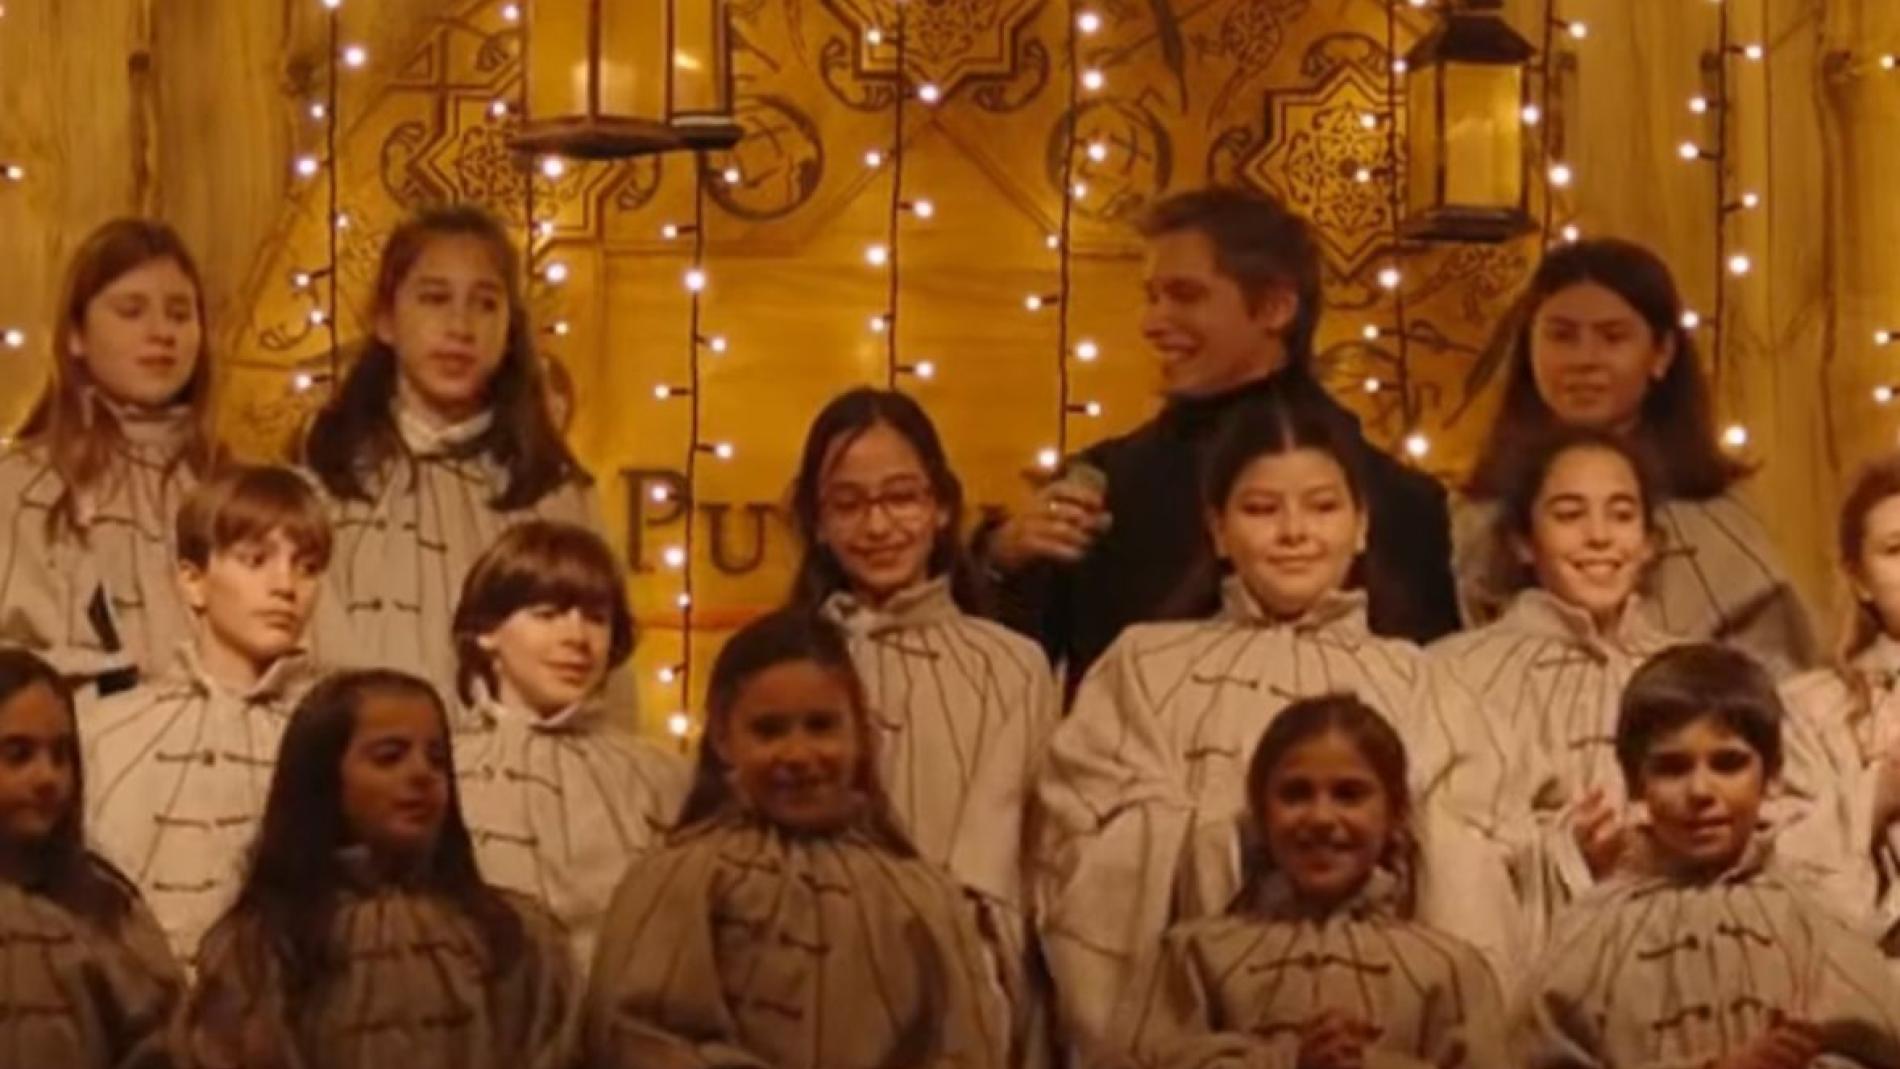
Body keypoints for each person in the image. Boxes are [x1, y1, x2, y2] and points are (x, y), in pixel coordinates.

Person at [1033, 383, 1522, 1050]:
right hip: (1192, 1017)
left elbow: (1490, 844)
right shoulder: (1144, 665)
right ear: (1218, 529)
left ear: (1362, 524)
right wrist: (1204, 844)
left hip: (1386, 1014)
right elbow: (1071, 840)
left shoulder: (1422, 677)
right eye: (1262, 509)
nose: (1294, 532)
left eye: (1322, 506)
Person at [975, 187, 1458, 692]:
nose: (1153, 323)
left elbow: (1426, 702)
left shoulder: (1397, 500)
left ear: (1274, 307)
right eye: (1152, 297)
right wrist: (1003, 564)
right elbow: (1008, 689)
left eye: (1185, 295)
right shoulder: (1100, 488)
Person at [583, 609, 1012, 1069]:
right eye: (769, 731)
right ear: (726, 740)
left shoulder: (919, 896)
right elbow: (636, 1030)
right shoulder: (681, 878)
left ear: (860, 735)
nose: (798, 754)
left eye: (821, 726)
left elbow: (966, 1044)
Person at [1513, 644, 1900, 1069]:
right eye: (1673, 767)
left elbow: (1878, 1046)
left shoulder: (1816, 921)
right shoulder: (1586, 937)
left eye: (1728, 764)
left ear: (1770, 776)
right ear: (1636, 783)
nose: (1700, 792)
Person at [177, 669, 578, 1069]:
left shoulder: (514, 937)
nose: (422, 774)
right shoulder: (258, 951)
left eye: (437, 760)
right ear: (325, 776)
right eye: (389, 757)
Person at [1458, 238, 1815, 678]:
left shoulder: (1719, 521)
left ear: (1660, 354)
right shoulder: (1472, 517)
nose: (1584, 360)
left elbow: (1777, 682)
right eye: (1561, 336)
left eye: (1612, 338)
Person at [302, 204, 604, 700]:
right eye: (434, 299)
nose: (460, 327)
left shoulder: (555, 497)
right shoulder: (322, 483)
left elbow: (600, 683)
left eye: (485, 304)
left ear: (510, 328)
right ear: (386, 319)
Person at [1110, 695, 1508, 1069]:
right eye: (1296, 794)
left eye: (1349, 795)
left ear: (1395, 814)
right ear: (1261, 813)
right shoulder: (1192, 954)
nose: (1320, 818)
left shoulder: (1449, 970)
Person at [1430, 427, 1680, 946]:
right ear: (1524, 541)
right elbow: (1448, 851)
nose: (1599, 537)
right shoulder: (1454, 675)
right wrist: (1564, 853)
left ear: (1650, 541)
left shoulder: (1692, 670)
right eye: (1569, 515)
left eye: (1622, 514)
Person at [85, 463, 330, 963]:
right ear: (193, 581)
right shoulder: (107, 733)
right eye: (255, 560)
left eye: (306, 566)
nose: (286, 585)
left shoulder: (331, 737)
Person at [451, 520, 687, 974]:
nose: (577, 638)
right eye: (547, 614)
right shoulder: (444, 773)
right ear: (488, 632)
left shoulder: (662, 780)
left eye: (596, 618)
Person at [0, 218, 220, 693]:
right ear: (76, 335)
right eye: (131, 311)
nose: (162, 332)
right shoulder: (21, 488)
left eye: (180, 313)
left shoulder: (233, 489)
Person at [0, 647, 182, 1066]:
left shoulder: (110, 910)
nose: (47, 777)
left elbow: (163, 1045)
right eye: (17, 755)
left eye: (60, 755)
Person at [1778, 451, 1900, 944]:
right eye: (1897, 549)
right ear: (1858, 578)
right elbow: (1784, 872)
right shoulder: (1809, 709)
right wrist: (1875, 797)